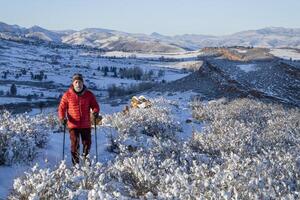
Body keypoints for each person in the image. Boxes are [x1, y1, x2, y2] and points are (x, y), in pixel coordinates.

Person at [58, 73, 100, 165]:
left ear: (83, 83)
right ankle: (76, 165)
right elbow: (61, 107)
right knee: (75, 145)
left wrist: (95, 112)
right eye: (76, 82)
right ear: (73, 83)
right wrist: (62, 118)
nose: (78, 84)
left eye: (80, 82)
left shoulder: (89, 94)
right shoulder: (67, 95)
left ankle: (86, 162)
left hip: (86, 124)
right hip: (73, 125)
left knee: (87, 144)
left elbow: (95, 105)